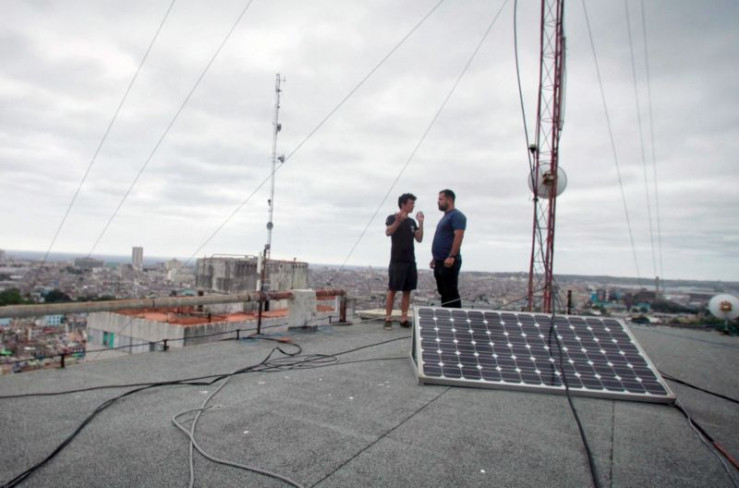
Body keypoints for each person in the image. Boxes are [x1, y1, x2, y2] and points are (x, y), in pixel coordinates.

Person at [384, 193, 424, 329]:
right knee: (393, 289)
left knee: (407, 290)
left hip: (410, 260)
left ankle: (404, 318)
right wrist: (398, 221)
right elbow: (388, 232)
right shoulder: (392, 217)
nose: (413, 206)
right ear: (403, 204)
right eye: (411, 203)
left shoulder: (412, 222)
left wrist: (420, 222)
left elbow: (419, 238)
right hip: (397, 260)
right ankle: (388, 318)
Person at [430, 189, 466, 308]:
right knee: (444, 292)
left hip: (448, 261)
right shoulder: (446, 217)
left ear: (449, 199)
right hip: (440, 261)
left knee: (450, 293)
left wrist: (452, 256)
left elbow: (459, 236)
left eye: (441, 199)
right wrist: (435, 258)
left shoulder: (457, 216)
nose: (438, 202)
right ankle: (446, 314)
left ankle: (454, 316)